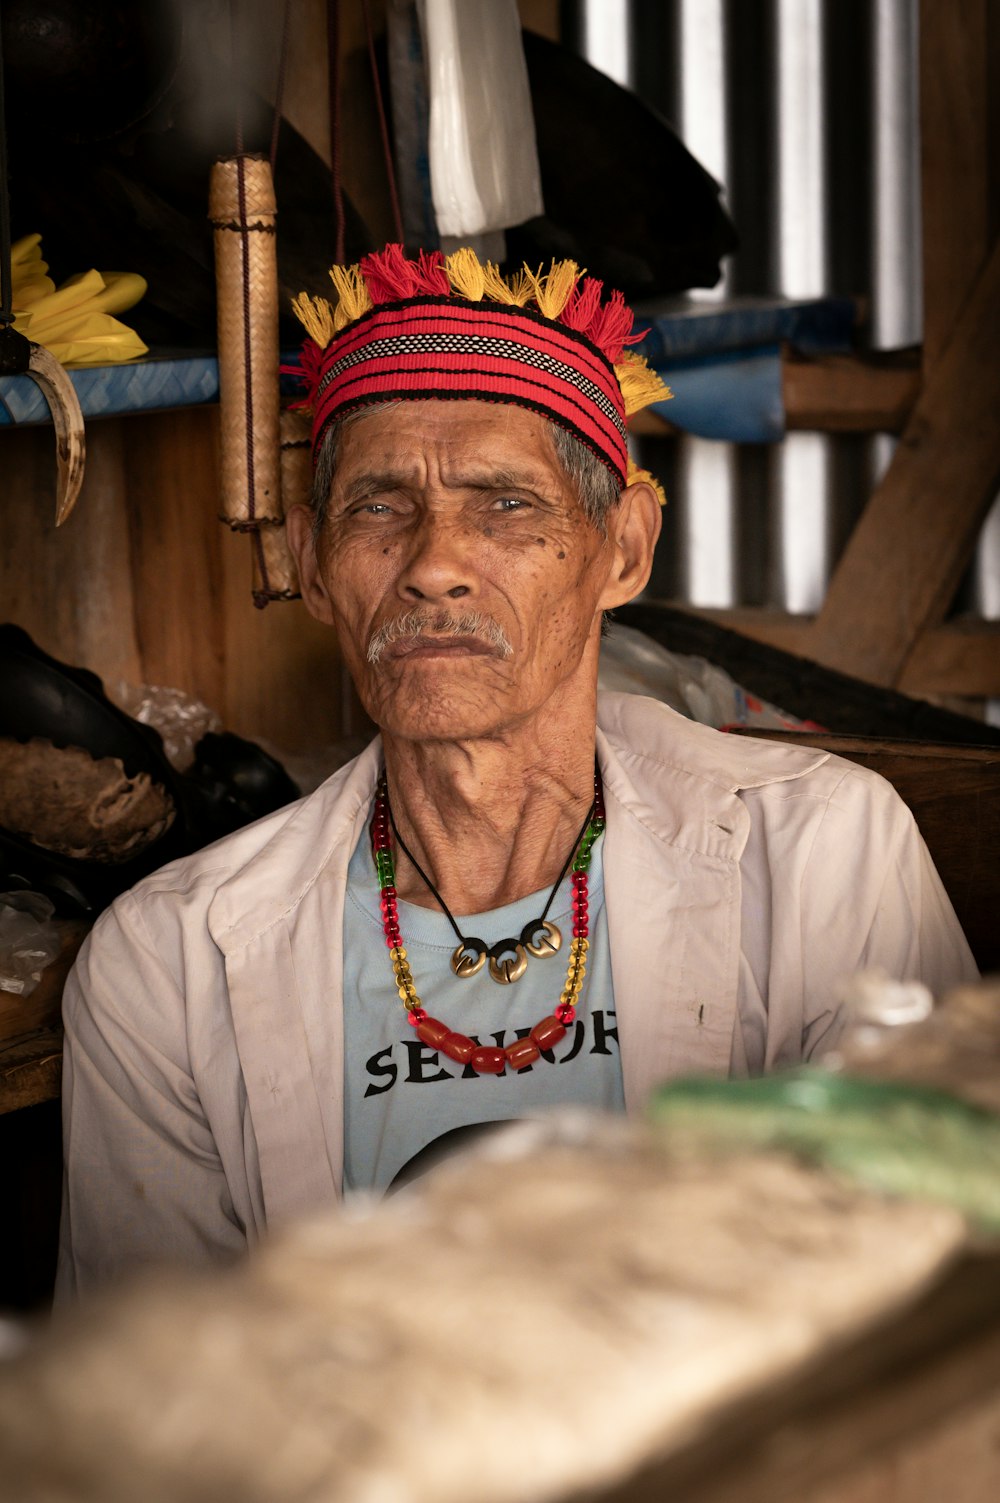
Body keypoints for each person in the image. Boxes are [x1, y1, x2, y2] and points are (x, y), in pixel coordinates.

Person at [57, 245, 977, 1296]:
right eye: (377, 507)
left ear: (622, 549)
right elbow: (153, 1398)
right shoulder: (170, 968)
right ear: (312, 563)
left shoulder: (820, 854)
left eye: (504, 504)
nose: (434, 562)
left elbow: (929, 1293)